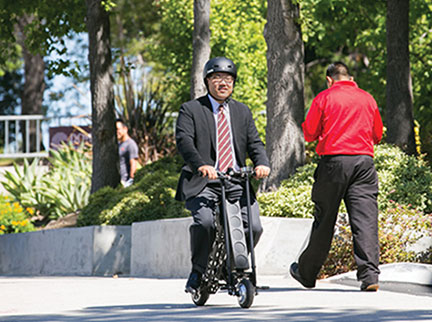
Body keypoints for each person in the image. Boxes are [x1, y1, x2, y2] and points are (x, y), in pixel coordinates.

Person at [175, 57, 271, 293]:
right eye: (217, 78)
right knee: (205, 223)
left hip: (235, 181)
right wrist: (201, 164)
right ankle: (198, 271)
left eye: (228, 79)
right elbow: (184, 141)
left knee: (255, 228)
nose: (223, 82)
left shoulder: (242, 111)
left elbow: (254, 143)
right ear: (207, 81)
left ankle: (229, 266)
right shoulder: (191, 110)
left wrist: (262, 163)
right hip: (204, 182)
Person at [290, 62, 383, 292]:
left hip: (334, 162)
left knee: (324, 220)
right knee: (366, 220)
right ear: (350, 78)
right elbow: (377, 134)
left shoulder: (324, 97)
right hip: (364, 162)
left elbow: (310, 133)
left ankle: (307, 273)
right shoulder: (367, 98)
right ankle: (370, 276)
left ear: (329, 79)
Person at [116, 119, 139, 187]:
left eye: (118, 129)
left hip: (125, 183)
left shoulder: (130, 144)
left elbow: (133, 165)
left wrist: (129, 183)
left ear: (125, 129)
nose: (116, 132)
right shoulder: (118, 144)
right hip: (119, 183)